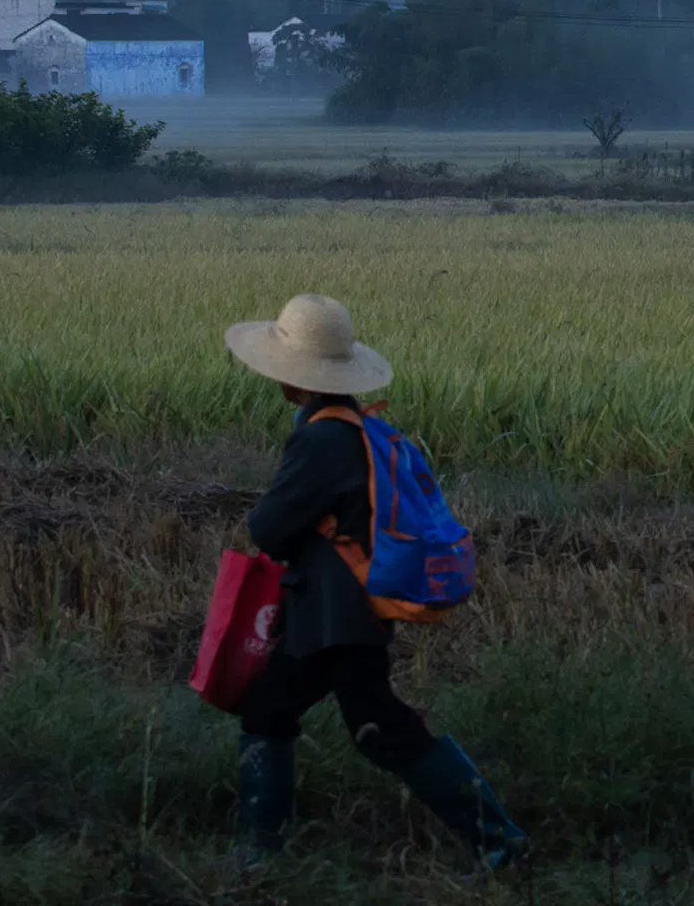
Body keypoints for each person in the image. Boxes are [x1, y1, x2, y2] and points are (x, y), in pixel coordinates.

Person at [225, 291, 529, 867]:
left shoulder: (319, 440)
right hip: (334, 611)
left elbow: (267, 528)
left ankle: (501, 843)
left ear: (294, 375)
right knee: (270, 707)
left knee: (377, 725)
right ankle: (258, 857)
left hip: (338, 617)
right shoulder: (353, 428)